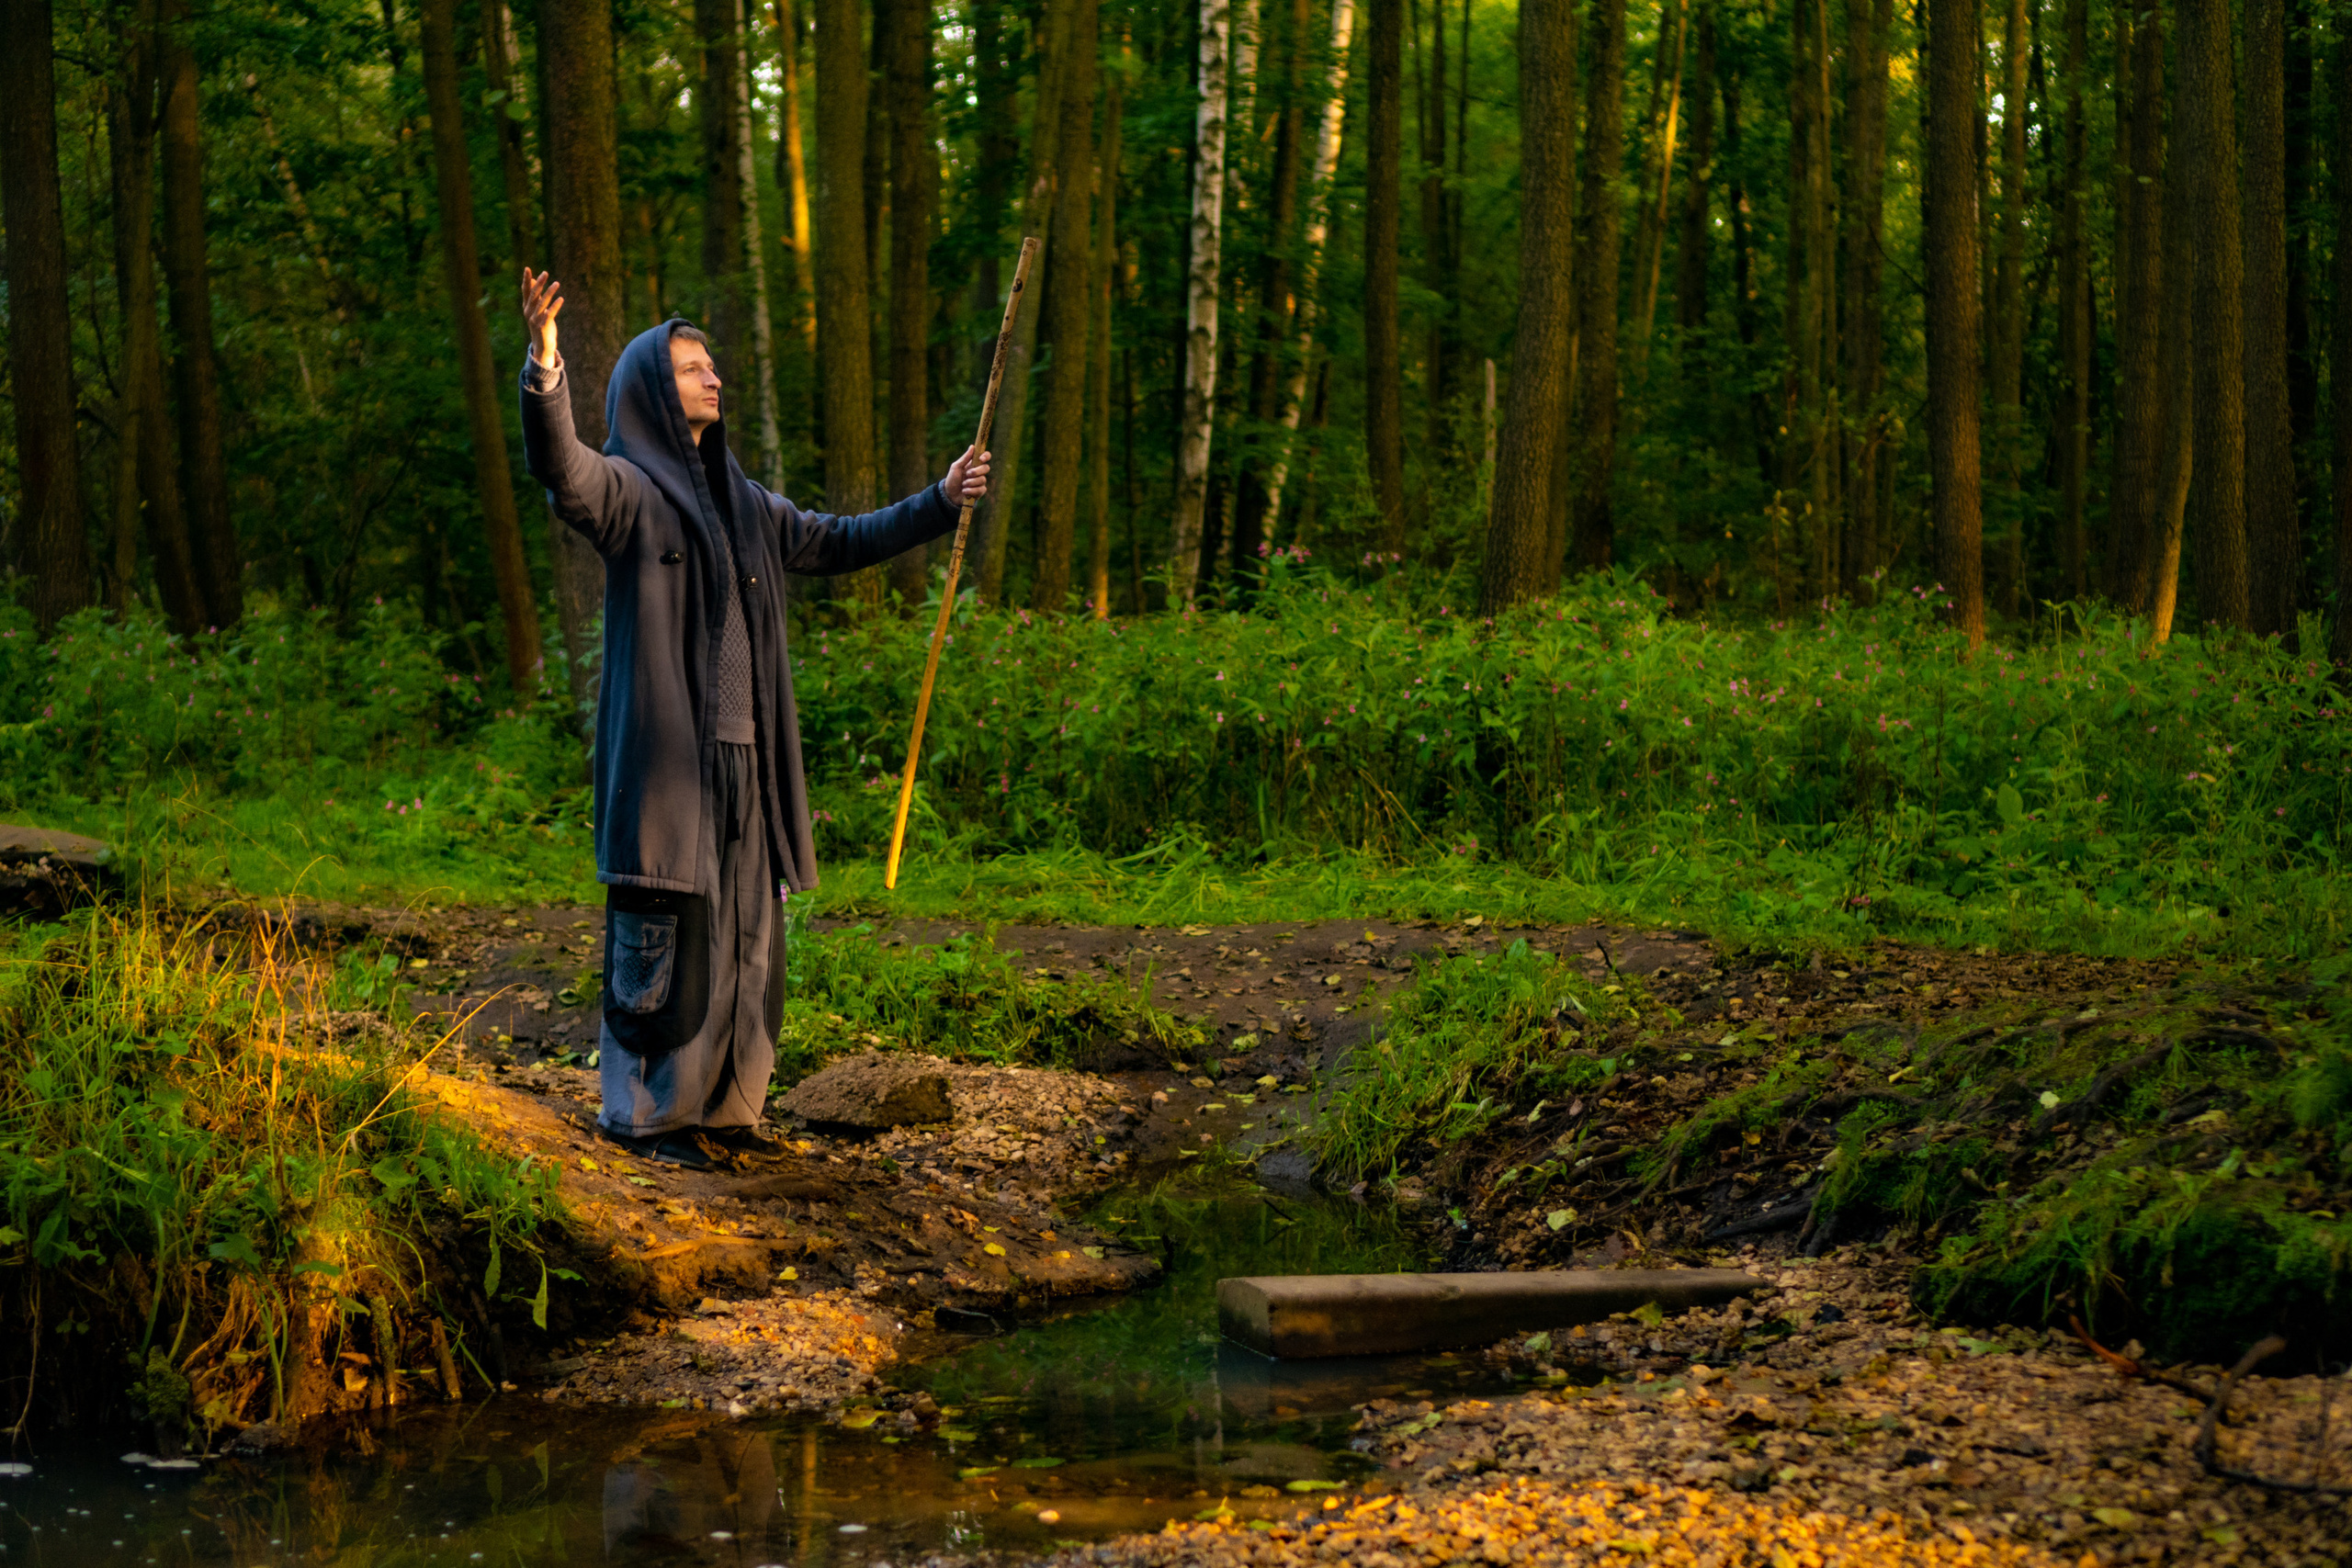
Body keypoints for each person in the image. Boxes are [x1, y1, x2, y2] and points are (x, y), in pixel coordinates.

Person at [516, 268, 989, 1169]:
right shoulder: (626, 494)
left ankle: (727, 1114)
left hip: (748, 767)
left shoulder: (748, 505)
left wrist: (939, 498)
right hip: (668, 774)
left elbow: (842, 538)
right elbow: (560, 469)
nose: (713, 378)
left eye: (712, 366)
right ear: (656, 389)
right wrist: (545, 364)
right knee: (671, 948)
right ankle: (652, 1119)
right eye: (694, 368)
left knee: (743, 942)